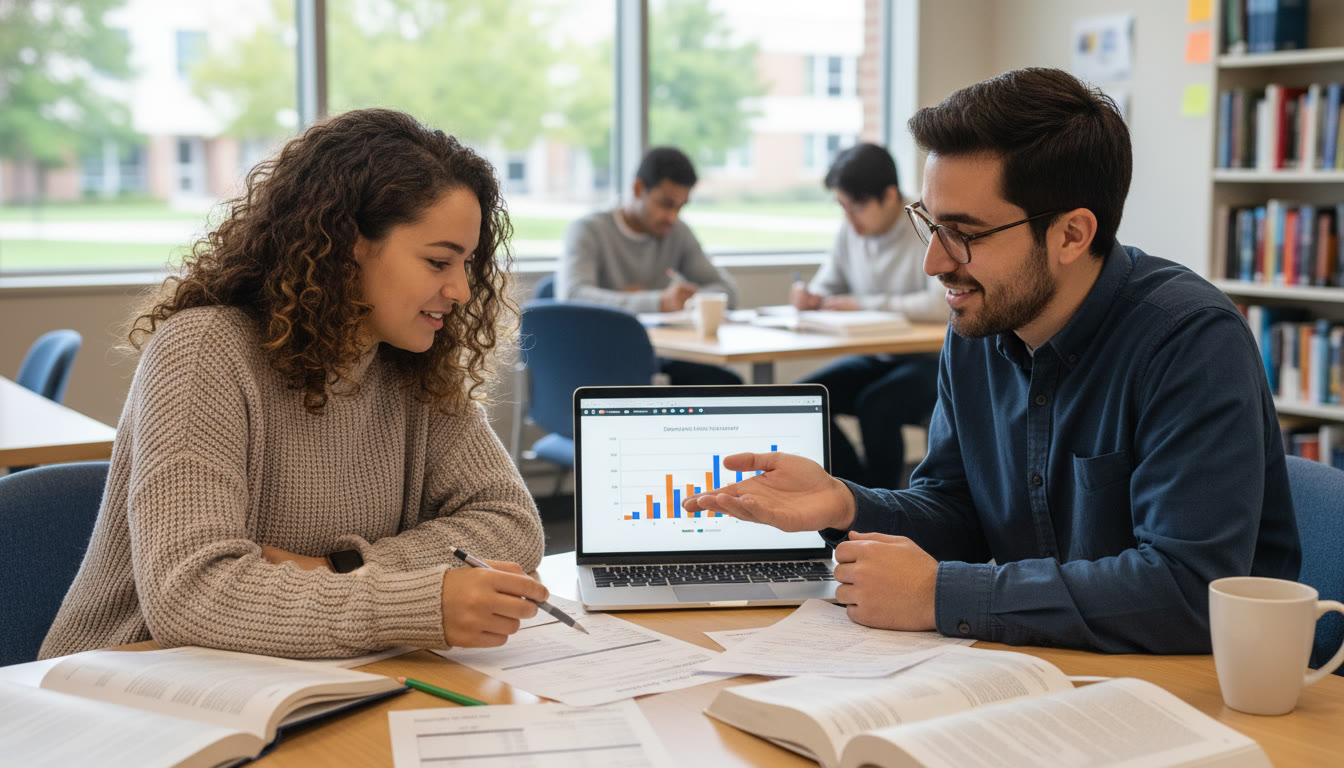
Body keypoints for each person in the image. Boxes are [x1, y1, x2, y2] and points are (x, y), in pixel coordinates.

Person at [683, 68, 1301, 654]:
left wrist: (940, 594)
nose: (934, 262)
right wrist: (844, 502)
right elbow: (958, 511)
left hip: (1191, 686)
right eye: (929, 224)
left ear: (1071, 235)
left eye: (965, 234)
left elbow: (1188, 591)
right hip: (1044, 665)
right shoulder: (980, 326)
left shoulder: (1189, 342)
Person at [40, 109, 548, 660]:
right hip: (132, 677)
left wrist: (346, 568)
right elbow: (190, 594)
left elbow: (510, 521)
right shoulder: (204, 350)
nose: (461, 291)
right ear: (349, 244)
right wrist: (411, 602)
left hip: (302, 674)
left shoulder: (411, 368)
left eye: (466, 264)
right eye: (438, 261)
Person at [794, 143, 948, 489]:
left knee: (877, 405)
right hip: (880, 356)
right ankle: (854, 491)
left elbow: (940, 305)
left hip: (932, 360)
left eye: (858, 208)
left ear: (890, 196)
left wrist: (862, 304)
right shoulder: (851, 231)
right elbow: (826, 285)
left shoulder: (926, 226)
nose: (850, 220)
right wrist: (810, 296)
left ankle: (882, 502)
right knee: (804, 396)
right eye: (843, 208)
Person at [557, 146, 742, 385]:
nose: (672, 217)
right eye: (666, 204)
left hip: (658, 357)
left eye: (680, 207)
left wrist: (687, 301)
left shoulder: (677, 232)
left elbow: (727, 290)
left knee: (726, 384)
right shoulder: (589, 230)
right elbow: (572, 296)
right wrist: (658, 302)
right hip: (598, 358)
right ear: (638, 189)